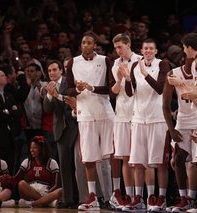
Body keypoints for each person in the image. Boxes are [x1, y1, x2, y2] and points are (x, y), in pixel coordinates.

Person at [121, 38, 170, 211]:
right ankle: (141, 198)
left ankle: (160, 198)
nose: (148, 51)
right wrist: (127, 79)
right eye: (145, 49)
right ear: (141, 51)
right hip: (138, 118)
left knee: (160, 162)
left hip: (157, 118)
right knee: (139, 162)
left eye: (151, 48)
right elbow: (129, 93)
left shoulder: (163, 65)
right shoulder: (135, 66)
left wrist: (145, 74)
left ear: (156, 51)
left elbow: (160, 89)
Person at [67, 34, 115, 210]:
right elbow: (69, 89)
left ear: (95, 45)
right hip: (85, 113)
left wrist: (92, 88)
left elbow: (111, 88)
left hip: (104, 111)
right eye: (83, 43)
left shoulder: (105, 60)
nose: (85, 45)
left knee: (109, 155)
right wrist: (77, 90)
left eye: (89, 43)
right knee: (88, 157)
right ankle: (92, 196)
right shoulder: (73, 62)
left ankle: (112, 196)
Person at [163, 57, 197, 212]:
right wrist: (172, 129)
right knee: (179, 159)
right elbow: (165, 105)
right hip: (183, 122)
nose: (196, 66)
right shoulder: (174, 73)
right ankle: (184, 198)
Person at [108, 33, 141, 210]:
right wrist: (120, 79)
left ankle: (139, 196)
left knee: (137, 159)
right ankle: (128, 196)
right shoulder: (115, 64)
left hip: (138, 114)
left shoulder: (140, 61)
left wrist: (128, 77)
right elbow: (113, 92)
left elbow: (137, 91)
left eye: (120, 47)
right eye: (115, 48)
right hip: (121, 114)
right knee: (125, 158)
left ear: (128, 45)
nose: (118, 51)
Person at [43, 60, 76, 208]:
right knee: (64, 166)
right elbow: (48, 109)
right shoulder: (46, 87)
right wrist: (50, 95)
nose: (52, 73)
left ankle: (83, 197)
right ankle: (68, 199)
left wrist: (56, 95)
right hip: (61, 129)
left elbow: (70, 103)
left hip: (76, 126)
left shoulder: (70, 83)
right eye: (49, 71)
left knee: (79, 165)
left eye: (54, 70)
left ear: (61, 71)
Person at [15, 136, 62, 207]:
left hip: (45, 191)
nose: (31, 150)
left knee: (60, 190)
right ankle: (46, 202)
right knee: (21, 183)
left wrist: (46, 192)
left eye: (34, 148)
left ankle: (32, 204)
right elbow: (16, 179)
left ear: (42, 149)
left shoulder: (52, 162)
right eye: (31, 148)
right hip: (30, 192)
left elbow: (54, 184)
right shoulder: (27, 162)